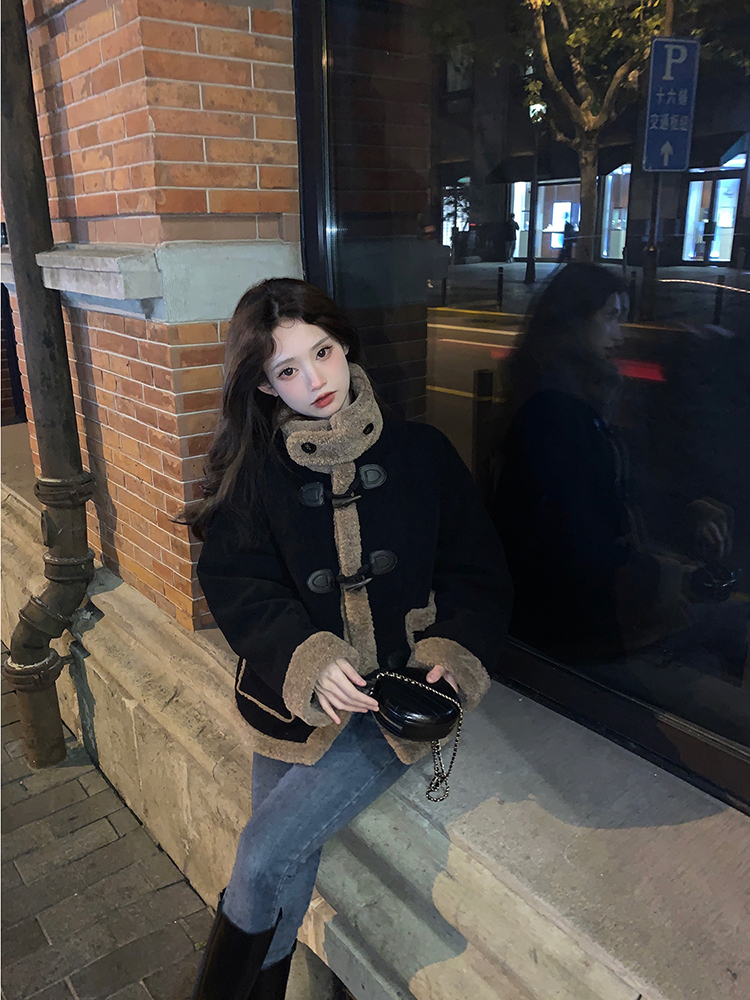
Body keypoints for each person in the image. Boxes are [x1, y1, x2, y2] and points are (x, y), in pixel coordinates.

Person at [187, 278, 511, 998]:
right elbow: (239, 583)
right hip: (294, 699)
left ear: (344, 345)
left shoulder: (423, 453)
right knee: (282, 863)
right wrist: (306, 657)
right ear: (265, 386)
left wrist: (448, 653)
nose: (315, 380)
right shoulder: (258, 471)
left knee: (263, 853)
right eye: (288, 370)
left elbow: (477, 572)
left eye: (323, 352)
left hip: (389, 702)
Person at [490, 263, 746, 676]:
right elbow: (580, 542)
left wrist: (685, 508)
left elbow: (614, 487)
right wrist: (671, 578)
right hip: (572, 624)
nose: (620, 334)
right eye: (610, 317)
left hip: (585, 604)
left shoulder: (574, 396)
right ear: (572, 320)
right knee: (731, 626)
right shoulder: (553, 414)